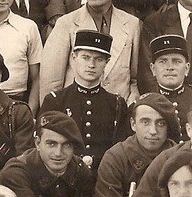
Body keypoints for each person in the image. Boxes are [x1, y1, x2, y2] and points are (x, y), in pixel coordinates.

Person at [38, 0, 141, 100]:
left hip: (118, 112)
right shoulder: (67, 23)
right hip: (74, 112)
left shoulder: (132, 24)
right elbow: (50, 82)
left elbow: (134, 80)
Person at [38, 29, 130, 169]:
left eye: (99, 59)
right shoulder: (55, 100)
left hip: (103, 174)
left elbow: (120, 148)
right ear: (74, 58)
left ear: (107, 62)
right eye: (86, 57)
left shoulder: (116, 104)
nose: (91, 65)